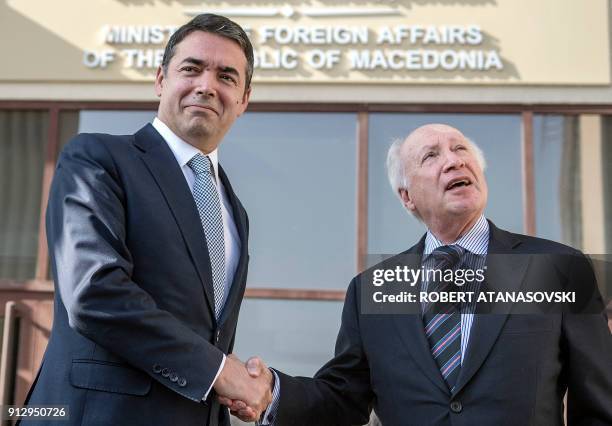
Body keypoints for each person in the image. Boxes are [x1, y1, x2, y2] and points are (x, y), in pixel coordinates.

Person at [224, 124, 612, 425]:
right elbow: (344, 398)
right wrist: (272, 393)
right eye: (431, 156)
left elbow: (599, 403)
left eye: (461, 150)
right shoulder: (372, 289)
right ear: (406, 195)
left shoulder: (557, 269)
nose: (454, 160)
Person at [23, 13, 272, 426]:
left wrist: (234, 388)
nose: (207, 86)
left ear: (244, 99)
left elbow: (209, 334)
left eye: (227, 77)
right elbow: (94, 291)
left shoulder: (234, 211)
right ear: (161, 80)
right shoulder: (97, 160)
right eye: (191, 69)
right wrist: (217, 371)